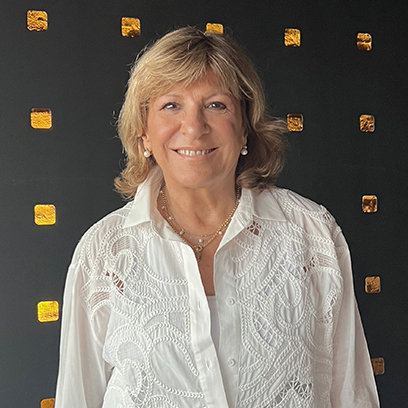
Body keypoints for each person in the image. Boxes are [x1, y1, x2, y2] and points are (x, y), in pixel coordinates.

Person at [55, 27, 380, 408]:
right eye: (171, 105)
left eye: (216, 105)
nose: (194, 127)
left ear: (245, 128)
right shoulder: (104, 253)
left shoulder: (312, 234)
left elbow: (352, 394)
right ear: (144, 133)